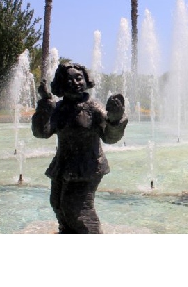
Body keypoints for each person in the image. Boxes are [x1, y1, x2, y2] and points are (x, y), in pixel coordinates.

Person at [31, 61, 128, 233]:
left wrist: (115, 120)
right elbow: (41, 132)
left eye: (79, 78)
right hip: (63, 165)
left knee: (78, 209)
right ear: (61, 84)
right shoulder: (59, 108)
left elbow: (109, 137)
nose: (75, 83)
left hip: (88, 166)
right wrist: (45, 102)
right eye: (69, 80)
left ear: (86, 80)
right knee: (57, 204)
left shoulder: (93, 108)